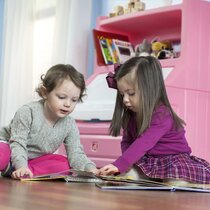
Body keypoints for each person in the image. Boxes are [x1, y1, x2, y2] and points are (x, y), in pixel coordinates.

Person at [99, 56, 210, 184]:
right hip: (149, 161)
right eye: (122, 94)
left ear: (149, 89)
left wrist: (121, 163)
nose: (125, 100)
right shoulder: (130, 115)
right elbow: (127, 142)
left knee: (175, 180)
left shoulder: (162, 114)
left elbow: (144, 142)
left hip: (173, 160)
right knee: (129, 176)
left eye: (131, 93)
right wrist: (127, 165)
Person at [0, 64, 98, 179]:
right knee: (2, 155)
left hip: (33, 160)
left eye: (74, 100)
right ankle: (15, 168)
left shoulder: (70, 124)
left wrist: (90, 168)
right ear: (45, 92)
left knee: (64, 164)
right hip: (10, 148)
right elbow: (17, 143)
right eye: (62, 97)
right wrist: (21, 165)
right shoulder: (27, 112)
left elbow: (75, 153)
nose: (68, 104)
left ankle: (23, 171)